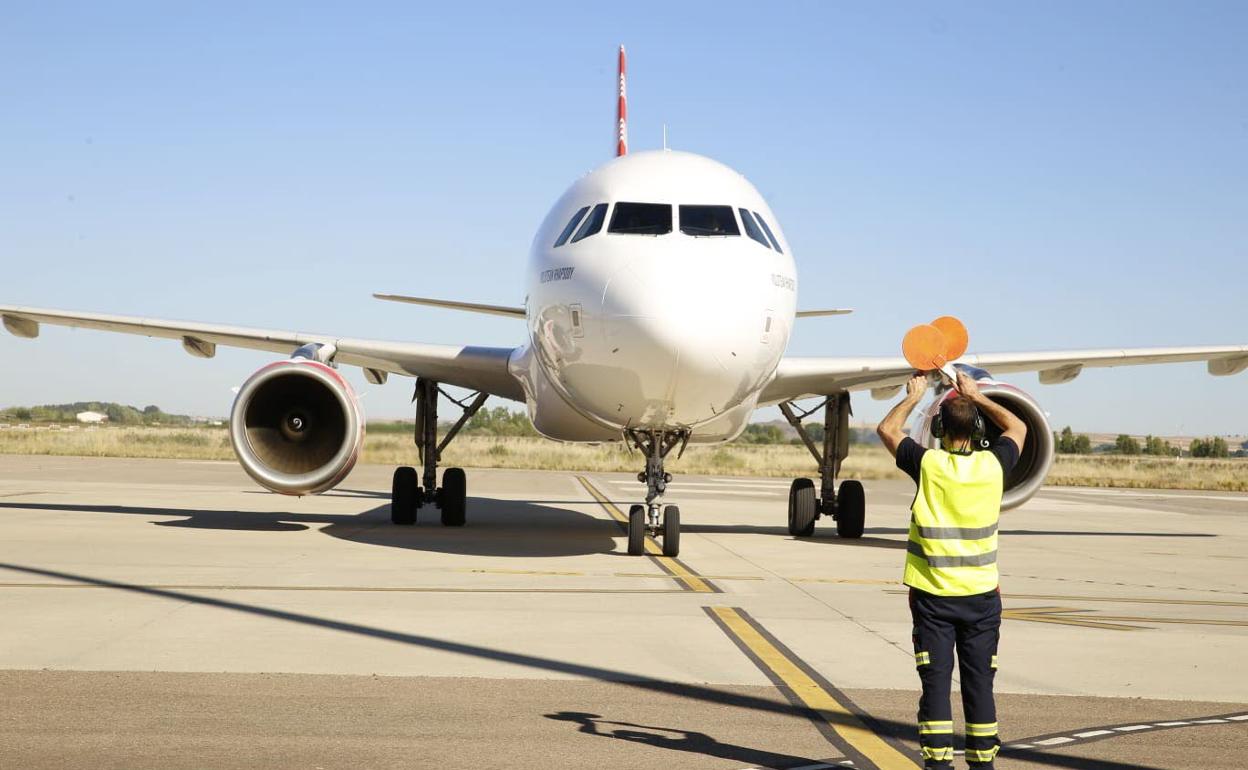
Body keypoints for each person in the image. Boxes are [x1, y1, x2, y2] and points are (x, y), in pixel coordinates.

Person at [876, 370, 1027, 770]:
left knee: (936, 686)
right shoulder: (993, 466)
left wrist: (914, 396)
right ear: (977, 429)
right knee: (980, 686)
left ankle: (939, 763)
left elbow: (887, 429)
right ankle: (983, 763)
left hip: (933, 599)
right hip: (981, 599)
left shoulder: (928, 464)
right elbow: (1018, 427)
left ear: (939, 430)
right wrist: (977, 396)